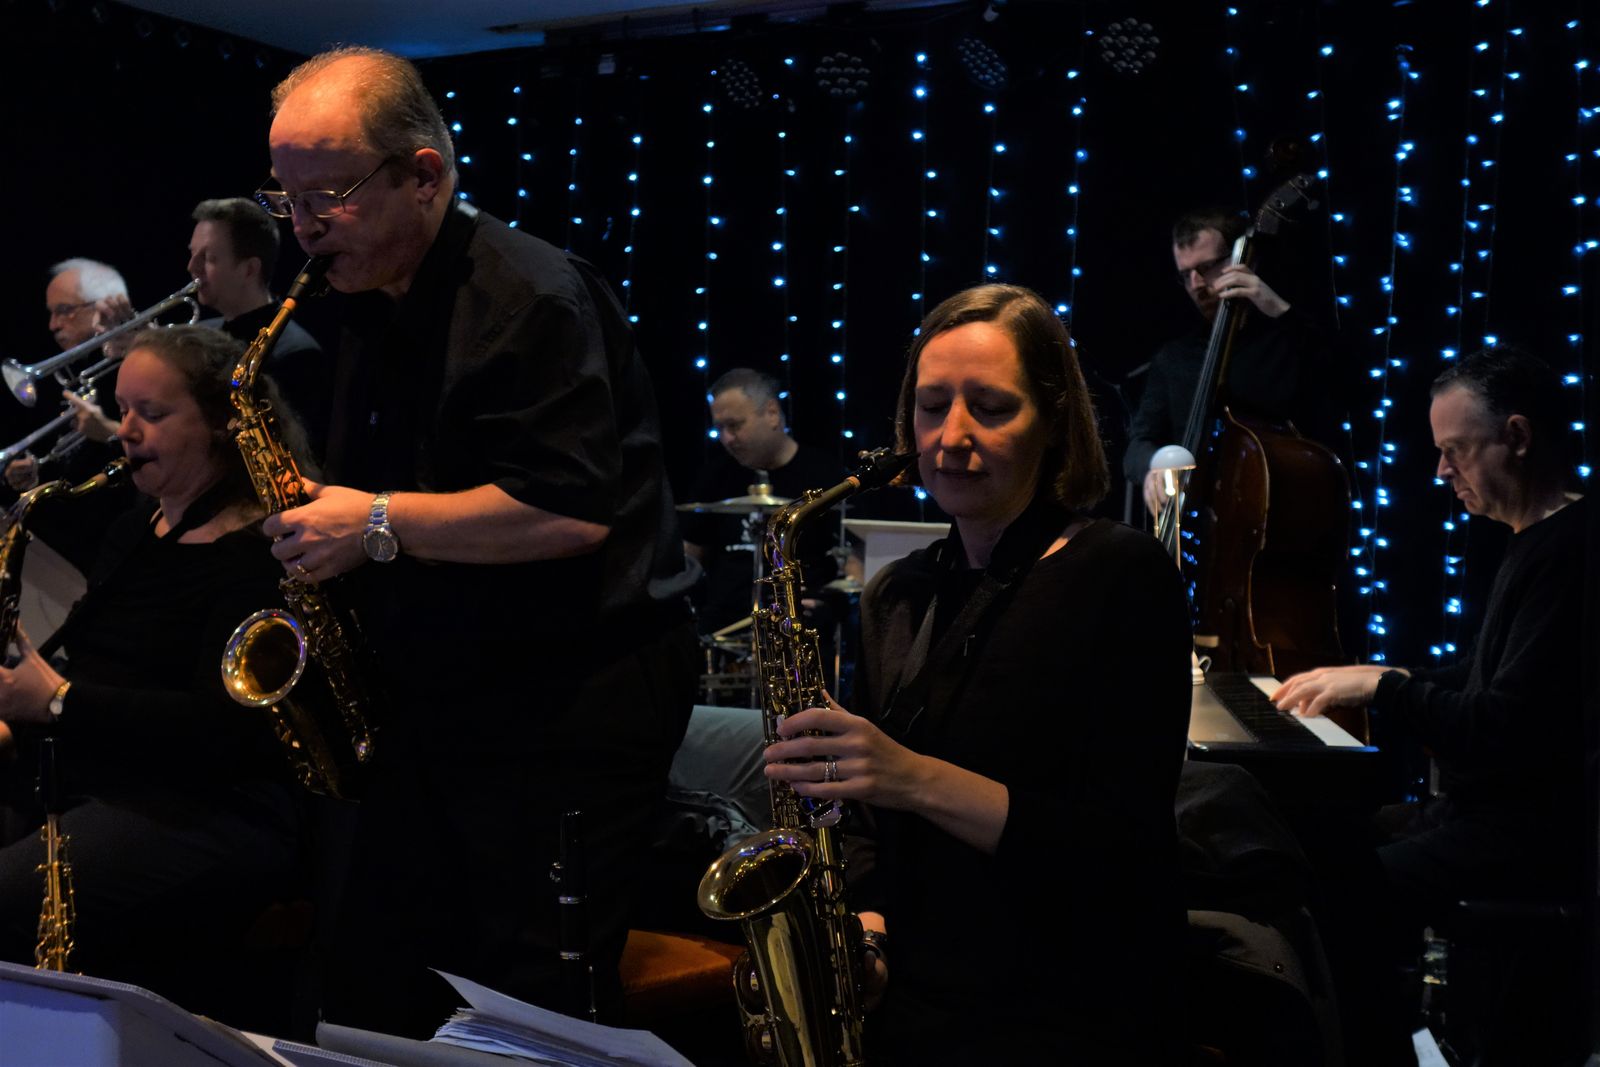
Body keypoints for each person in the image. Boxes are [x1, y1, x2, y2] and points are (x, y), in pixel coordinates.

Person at [258, 46, 697, 1034]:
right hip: (453, 691)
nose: (304, 226)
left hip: (575, 692)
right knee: (376, 980)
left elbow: (569, 512)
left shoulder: (530, 294)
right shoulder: (363, 299)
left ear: (425, 174)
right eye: (286, 198)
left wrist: (371, 522)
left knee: (528, 1000)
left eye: (328, 195)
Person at [763, 284, 1193, 1062]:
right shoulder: (898, 593)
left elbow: (1124, 851)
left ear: (1053, 420)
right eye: (931, 406)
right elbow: (866, 825)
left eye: (990, 407)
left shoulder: (1123, 575)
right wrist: (868, 934)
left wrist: (908, 775)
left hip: (1065, 1006)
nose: (951, 435)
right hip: (915, 993)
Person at [1271, 346, 1586, 1055]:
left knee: (1338, 891)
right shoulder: (1534, 540)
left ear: (1517, 436)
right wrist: (1386, 672)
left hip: (1530, 833)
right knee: (1318, 842)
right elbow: (1481, 674)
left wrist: (1385, 687)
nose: (1441, 471)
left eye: (1455, 450)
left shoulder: (1571, 552)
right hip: (1489, 817)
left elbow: (1503, 725)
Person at [0, 324, 305, 1023]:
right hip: (105, 780)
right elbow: (91, 669)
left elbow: (221, 730)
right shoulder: (138, 529)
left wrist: (60, 703)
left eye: (152, 413)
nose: (126, 431)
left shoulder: (260, 556)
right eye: (122, 409)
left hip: (208, 811)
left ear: (222, 426)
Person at [1124, 206, 1335, 518]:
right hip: (1201, 525)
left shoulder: (1289, 339)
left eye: (1207, 267)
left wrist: (1276, 307)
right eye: (1185, 275)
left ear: (1243, 260)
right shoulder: (1174, 358)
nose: (1196, 284)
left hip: (1286, 513)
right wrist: (1153, 466)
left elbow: (1347, 381)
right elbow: (1138, 444)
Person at [681, 368, 845, 634]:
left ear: (772, 413)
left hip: (799, 632)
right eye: (719, 428)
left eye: (734, 425)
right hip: (723, 630)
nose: (726, 438)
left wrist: (829, 603)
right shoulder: (714, 477)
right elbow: (689, 558)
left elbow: (854, 565)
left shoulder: (826, 475)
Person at [188, 197, 330, 458]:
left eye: (208, 257)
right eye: (192, 254)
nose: (192, 268)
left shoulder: (296, 353)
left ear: (249, 269)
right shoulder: (200, 334)